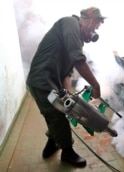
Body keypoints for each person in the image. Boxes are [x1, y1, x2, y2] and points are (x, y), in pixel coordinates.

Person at [26, 7, 106, 167]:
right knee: (57, 116)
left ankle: (52, 143)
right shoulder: (71, 24)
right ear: (90, 21)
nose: (95, 32)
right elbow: (78, 60)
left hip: (50, 81)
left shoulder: (76, 37)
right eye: (96, 27)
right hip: (42, 80)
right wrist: (96, 85)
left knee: (59, 111)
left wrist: (67, 94)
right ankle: (67, 153)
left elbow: (67, 73)